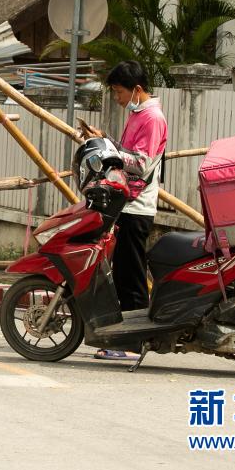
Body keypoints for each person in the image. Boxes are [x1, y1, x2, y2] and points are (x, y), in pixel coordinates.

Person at [84, 61, 168, 360]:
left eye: (119, 92)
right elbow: (128, 151)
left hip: (137, 205)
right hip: (125, 203)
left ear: (136, 89)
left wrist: (109, 149)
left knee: (131, 276)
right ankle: (125, 339)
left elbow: (141, 162)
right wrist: (107, 140)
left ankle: (133, 344)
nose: (117, 98)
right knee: (121, 272)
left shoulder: (152, 118)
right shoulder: (138, 115)